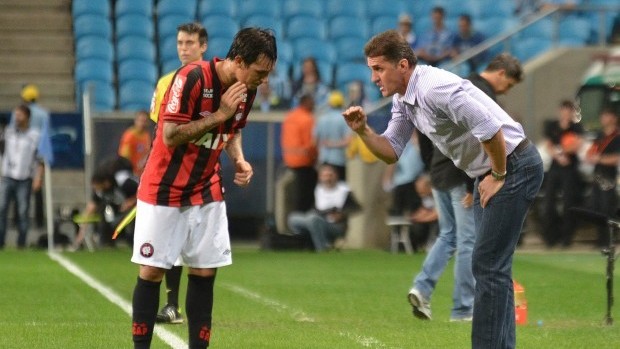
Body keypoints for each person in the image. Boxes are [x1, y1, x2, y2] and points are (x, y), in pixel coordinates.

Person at [342, 30, 543, 348]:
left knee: (487, 264)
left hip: (514, 164)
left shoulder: (436, 89)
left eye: (378, 69)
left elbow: (490, 128)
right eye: (372, 69)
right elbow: (392, 150)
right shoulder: (404, 98)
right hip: (493, 169)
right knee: (493, 266)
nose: (373, 78)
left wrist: (498, 174)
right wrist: (364, 131)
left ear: (403, 65)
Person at [130, 27, 276, 349]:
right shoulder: (192, 78)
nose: (262, 80)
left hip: (207, 188)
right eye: (259, 72)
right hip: (164, 188)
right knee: (153, 271)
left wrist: (239, 158)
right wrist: (220, 114)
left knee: (205, 273)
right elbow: (170, 135)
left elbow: (233, 128)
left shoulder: (246, 89)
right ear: (239, 60)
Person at [408, 53, 524, 322]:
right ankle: (463, 309)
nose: (506, 90)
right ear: (502, 74)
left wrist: (430, 166)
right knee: (468, 241)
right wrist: (473, 184)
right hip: (461, 176)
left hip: (439, 173)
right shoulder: (480, 93)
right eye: (509, 84)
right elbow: (479, 139)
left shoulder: (456, 82)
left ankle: (422, 287)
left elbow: (425, 132)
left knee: (448, 235)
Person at [149, 22, 208, 325]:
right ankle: (172, 305)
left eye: (190, 43)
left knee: (195, 248)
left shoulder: (213, 83)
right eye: (180, 43)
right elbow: (160, 131)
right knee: (168, 242)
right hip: (170, 175)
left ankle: (189, 311)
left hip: (200, 174)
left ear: (203, 46)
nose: (184, 48)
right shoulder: (164, 83)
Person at [541, 100, 585, 248]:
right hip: (555, 167)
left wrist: (563, 151)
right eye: (564, 110)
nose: (566, 113)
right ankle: (551, 237)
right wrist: (558, 155)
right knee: (549, 202)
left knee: (568, 202)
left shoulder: (576, 128)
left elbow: (577, 145)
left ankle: (566, 238)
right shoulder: (552, 126)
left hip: (570, 167)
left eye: (569, 110)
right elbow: (548, 145)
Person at [70, 156, 138, 251]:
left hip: (137, 208)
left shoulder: (125, 182)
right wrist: (80, 235)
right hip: (120, 207)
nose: (97, 190)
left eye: (98, 187)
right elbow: (90, 210)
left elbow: (144, 190)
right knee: (105, 216)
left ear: (106, 183)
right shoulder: (99, 191)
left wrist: (132, 201)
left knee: (131, 225)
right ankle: (107, 243)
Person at [287, 163, 359, 252]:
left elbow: (355, 208)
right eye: (325, 176)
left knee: (313, 219)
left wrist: (342, 215)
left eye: (330, 175)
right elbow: (315, 208)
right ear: (320, 177)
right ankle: (305, 245)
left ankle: (323, 248)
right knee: (293, 218)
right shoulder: (318, 189)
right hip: (318, 218)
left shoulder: (344, 190)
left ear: (336, 176)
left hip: (335, 226)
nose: (328, 179)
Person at [0, 104, 43, 249]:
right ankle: (1, 242)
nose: (16, 118)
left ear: (27, 117)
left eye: (20, 115)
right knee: (1, 208)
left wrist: (38, 177)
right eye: (15, 115)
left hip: (25, 178)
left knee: (23, 211)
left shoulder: (34, 135)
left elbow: (40, 159)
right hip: (7, 176)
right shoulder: (8, 132)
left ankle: (21, 243)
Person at [11, 84, 53, 229]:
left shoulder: (18, 113)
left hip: (22, 154)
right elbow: (46, 136)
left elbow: (13, 131)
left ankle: (18, 220)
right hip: (37, 155)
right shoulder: (44, 114)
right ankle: (40, 220)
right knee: (38, 189)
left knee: (18, 187)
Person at [584, 108, 620, 248]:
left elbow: (616, 158)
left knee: (607, 209)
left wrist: (599, 159)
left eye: (606, 115)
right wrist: (591, 156)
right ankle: (599, 240)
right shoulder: (599, 135)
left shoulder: (617, 136)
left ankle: (608, 241)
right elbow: (591, 151)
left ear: (613, 118)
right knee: (597, 208)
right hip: (597, 176)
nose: (603, 118)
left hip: (609, 178)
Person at [281, 94, 318, 212]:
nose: (314, 105)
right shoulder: (307, 119)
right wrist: (315, 157)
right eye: (312, 102)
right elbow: (310, 144)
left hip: (289, 160)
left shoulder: (289, 117)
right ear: (306, 103)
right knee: (305, 196)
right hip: (304, 162)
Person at [313, 90, 352, 180]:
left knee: (324, 188)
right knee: (339, 188)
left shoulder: (321, 119)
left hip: (323, 159)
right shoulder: (344, 119)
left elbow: (315, 141)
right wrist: (333, 144)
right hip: (338, 160)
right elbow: (348, 141)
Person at [118, 110, 152, 177]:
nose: (142, 123)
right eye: (140, 120)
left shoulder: (147, 135)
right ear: (135, 121)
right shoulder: (129, 136)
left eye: (145, 121)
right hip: (131, 173)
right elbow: (124, 156)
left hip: (141, 173)